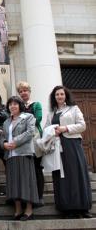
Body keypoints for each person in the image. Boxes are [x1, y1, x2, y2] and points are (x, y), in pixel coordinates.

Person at [45, 85, 92, 218]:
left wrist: (65, 128)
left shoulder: (74, 109)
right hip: (57, 149)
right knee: (62, 177)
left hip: (72, 145)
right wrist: (51, 132)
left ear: (66, 96)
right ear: (54, 98)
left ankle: (82, 208)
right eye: (57, 95)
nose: (59, 96)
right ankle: (66, 209)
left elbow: (82, 125)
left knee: (77, 175)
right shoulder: (51, 113)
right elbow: (46, 130)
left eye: (61, 94)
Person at [1, 96, 39, 221]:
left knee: (26, 182)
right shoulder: (6, 122)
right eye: (10, 104)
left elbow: (30, 132)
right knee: (14, 183)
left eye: (15, 104)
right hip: (11, 156)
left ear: (20, 105)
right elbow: (2, 136)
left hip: (23, 153)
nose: (12, 106)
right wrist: (4, 144)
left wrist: (15, 142)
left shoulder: (28, 117)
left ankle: (29, 210)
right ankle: (18, 209)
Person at [17, 81, 44, 205]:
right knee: (26, 169)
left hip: (35, 138)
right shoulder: (18, 106)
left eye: (25, 90)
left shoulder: (36, 104)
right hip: (23, 140)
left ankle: (39, 196)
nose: (23, 93)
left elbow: (38, 118)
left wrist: (24, 124)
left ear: (29, 91)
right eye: (21, 91)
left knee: (37, 168)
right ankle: (28, 196)